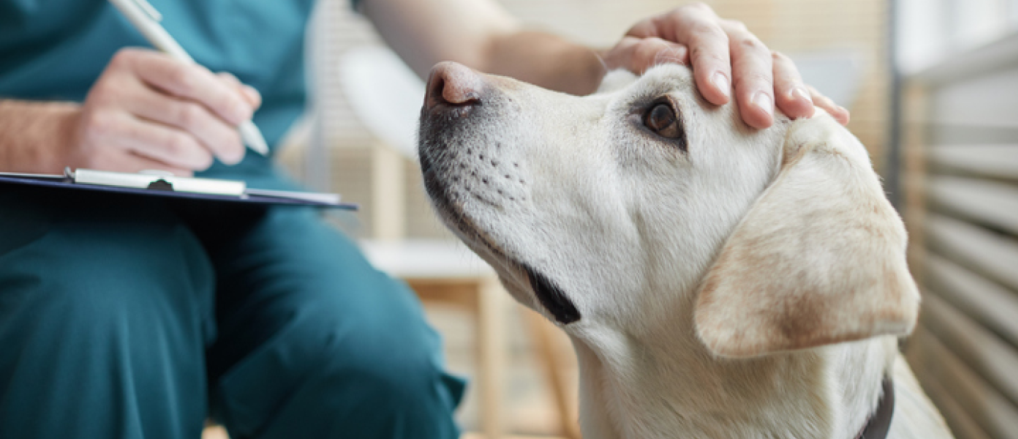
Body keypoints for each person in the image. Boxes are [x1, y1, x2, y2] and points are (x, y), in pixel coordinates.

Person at [0, 1, 848, 438]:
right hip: (29, 190)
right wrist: (50, 132)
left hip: (241, 194)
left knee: (375, 352)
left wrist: (616, 59)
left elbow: (480, 38)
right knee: (90, 319)